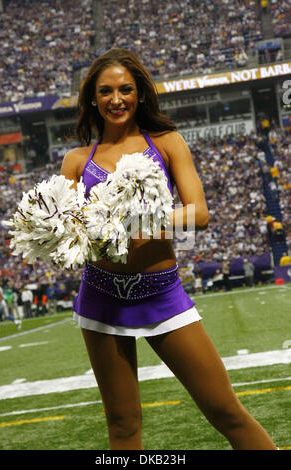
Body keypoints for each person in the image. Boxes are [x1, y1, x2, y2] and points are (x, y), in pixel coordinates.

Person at [60, 48, 277, 450]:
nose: (116, 99)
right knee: (123, 427)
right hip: (100, 297)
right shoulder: (76, 161)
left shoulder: (166, 142)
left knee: (227, 412)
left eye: (126, 89)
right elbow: (71, 235)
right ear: (93, 98)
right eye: (105, 91)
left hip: (161, 292)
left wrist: (132, 220)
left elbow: (199, 215)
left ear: (140, 94)